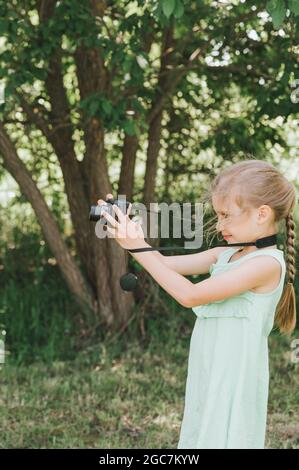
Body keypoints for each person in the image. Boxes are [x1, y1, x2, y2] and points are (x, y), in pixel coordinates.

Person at [97, 159, 297, 449]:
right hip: (209, 364)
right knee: (202, 433)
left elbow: (190, 295)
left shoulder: (266, 264)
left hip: (235, 374)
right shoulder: (223, 255)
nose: (220, 224)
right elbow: (162, 263)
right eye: (218, 215)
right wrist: (130, 233)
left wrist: (136, 246)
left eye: (227, 215)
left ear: (262, 214)